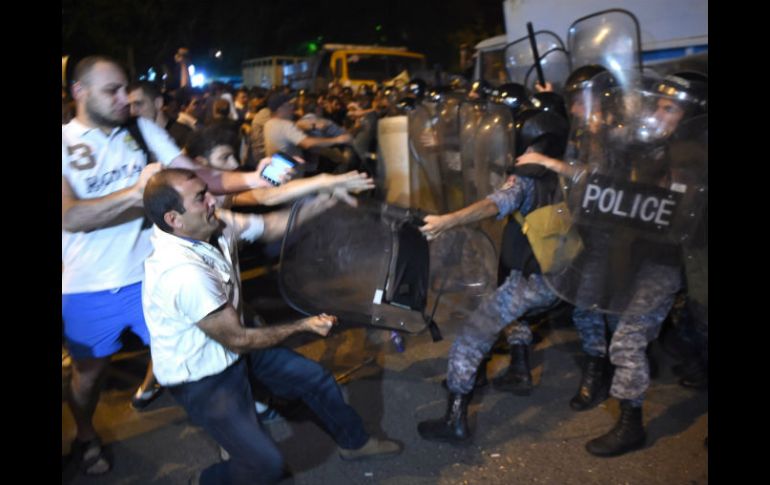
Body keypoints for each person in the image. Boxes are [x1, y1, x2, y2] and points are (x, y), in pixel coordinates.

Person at [62, 55, 280, 476]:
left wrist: (256, 177)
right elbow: (70, 216)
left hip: (154, 276)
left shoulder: (140, 130)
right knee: (89, 376)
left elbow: (198, 175)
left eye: (126, 88)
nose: (126, 98)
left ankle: (232, 439)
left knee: (213, 353)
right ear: (79, 93)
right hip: (88, 284)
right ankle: (86, 433)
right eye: (113, 91)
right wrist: (134, 192)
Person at [141, 168, 400, 484]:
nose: (213, 199)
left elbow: (271, 226)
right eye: (201, 198)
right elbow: (238, 339)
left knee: (315, 380)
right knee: (265, 465)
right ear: (174, 219)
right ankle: (206, 480)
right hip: (205, 377)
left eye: (207, 191)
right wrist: (302, 326)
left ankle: (355, 444)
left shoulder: (212, 222)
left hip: (235, 347)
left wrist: (326, 199)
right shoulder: (182, 273)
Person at [515, 72, 707, 457]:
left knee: (646, 338)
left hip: (684, 262)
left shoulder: (694, 159)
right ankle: (629, 421)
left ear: (689, 117)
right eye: (659, 105)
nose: (658, 114)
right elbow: (608, 180)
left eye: (670, 109)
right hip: (653, 259)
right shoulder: (648, 148)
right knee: (629, 339)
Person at [416, 107, 570, 444]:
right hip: (566, 278)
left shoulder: (527, 177)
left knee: (471, 338)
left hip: (531, 280)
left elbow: (492, 204)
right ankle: (519, 370)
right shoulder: (573, 171)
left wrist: (447, 221)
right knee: (513, 311)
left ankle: (455, 419)